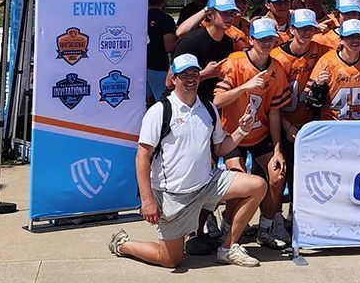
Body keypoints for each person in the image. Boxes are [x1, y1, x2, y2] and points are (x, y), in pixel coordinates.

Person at [108, 54, 266, 268]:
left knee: (257, 185)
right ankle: (123, 244)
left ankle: (228, 248)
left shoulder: (208, 108)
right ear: (174, 78)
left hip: (208, 183)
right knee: (170, 260)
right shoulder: (160, 111)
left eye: (194, 73)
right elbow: (142, 157)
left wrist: (242, 130)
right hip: (173, 194)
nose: (190, 78)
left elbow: (220, 148)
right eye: (184, 74)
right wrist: (147, 201)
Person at [213, 18, 291, 250]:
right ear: (251, 40)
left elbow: (275, 112)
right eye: (262, 38)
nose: (267, 43)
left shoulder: (276, 68)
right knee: (238, 179)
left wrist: (277, 150)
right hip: (233, 133)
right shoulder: (236, 62)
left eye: (271, 38)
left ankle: (265, 228)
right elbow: (217, 100)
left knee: (277, 175)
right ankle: (227, 228)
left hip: (260, 133)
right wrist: (245, 87)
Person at [271, 9, 327, 222]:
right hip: (281, 122)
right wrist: (286, 127)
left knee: (303, 175)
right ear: (292, 29)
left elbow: (345, 49)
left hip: (308, 124)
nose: (306, 32)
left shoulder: (320, 50)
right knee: (278, 175)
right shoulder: (277, 57)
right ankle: (273, 220)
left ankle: (296, 216)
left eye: (310, 28)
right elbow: (272, 104)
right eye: (301, 28)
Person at [306, 19, 360, 120]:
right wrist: (318, 87)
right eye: (350, 37)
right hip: (333, 125)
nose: (355, 40)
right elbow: (310, 102)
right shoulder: (326, 62)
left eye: (359, 37)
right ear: (341, 40)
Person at [170, 0, 236, 103]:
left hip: (210, 105)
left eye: (232, 13)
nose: (229, 17)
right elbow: (169, 82)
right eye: (224, 13)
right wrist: (204, 74)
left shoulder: (228, 42)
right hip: (183, 104)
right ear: (210, 15)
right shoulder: (191, 41)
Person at [176, 0, 252, 52]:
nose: (241, 4)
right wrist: (207, 8)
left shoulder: (247, 25)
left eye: (244, 1)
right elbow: (180, 33)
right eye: (236, 0)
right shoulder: (212, 24)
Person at [147, 0, 177, 104]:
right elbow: (169, 47)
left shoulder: (140, 16)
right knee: (163, 102)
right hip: (158, 67)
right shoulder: (165, 19)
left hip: (141, 65)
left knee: (148, 102)